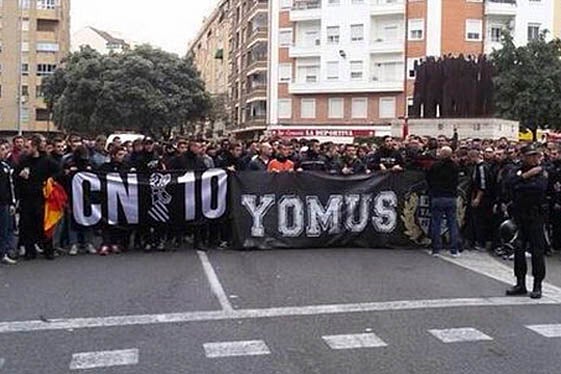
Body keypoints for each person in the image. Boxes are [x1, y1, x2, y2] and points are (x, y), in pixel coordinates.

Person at [506, 144, 548, 299]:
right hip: (519, 215)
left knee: (537, 251)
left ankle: (537, 285)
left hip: (535, 215)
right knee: (518, 249)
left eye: (536, 155)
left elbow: (538, 188)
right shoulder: (517, 169)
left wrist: (520, 183)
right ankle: (520, 283)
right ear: (523, 156)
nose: (534, 158)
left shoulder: (542, 171)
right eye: (530, 155)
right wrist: (525, 176)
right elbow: (508, 183)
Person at [15, 135, 61, 260]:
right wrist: (20, 176)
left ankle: (48, 250)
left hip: (41, 198)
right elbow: (15, 178)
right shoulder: (23, 160)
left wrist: (50, 180)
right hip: (26, 197)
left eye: (28, 147)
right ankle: (30, 251)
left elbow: (59, 170)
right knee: (27, 225)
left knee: (43, 224)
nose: (26, 149)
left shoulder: (46, 160)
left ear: (35, 147)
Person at [426, 146, 460, 257]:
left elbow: (428, 178)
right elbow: (457, 181)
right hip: (451, 197)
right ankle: (454, 249)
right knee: (452, 224)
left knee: (436, 223)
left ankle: (436, 249)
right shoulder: (455, 166)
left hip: (437, 196)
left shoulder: (435, 166)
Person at [0, 141, 16, 265]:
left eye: (6, 148)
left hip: (5, 202)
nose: (5, 151)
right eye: (2, 149)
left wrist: (12, 202)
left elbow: (9, 187)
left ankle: (3, 253)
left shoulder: (5, 166)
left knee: (5, 228)